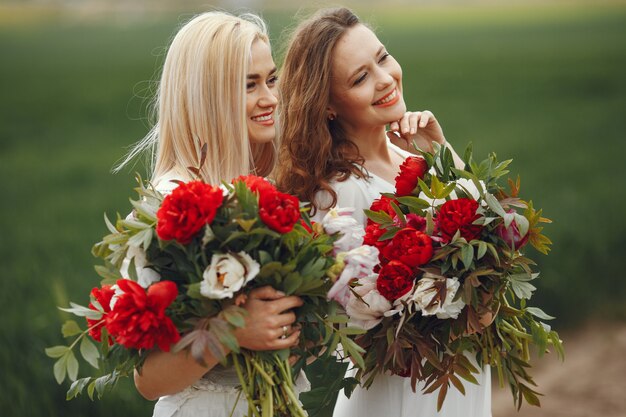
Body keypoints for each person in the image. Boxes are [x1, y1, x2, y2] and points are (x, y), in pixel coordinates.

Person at [275, 7, 491, 417]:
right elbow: (368, 329)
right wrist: (470, 307)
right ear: (328, 106)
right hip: (404, 397)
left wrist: (443, 157)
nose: (386, 78)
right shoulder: (339, 194)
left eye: (383, 57)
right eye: (360, 78)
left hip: (456, 384)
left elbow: (485, 246)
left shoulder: (410, 153)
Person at [116, 11, 305, 417]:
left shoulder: (262, 189)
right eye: (249, 85)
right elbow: (147, 380)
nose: (271, 98)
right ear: (207, 95)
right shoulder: (169, 207)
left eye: (271, 80)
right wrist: (232, 331)